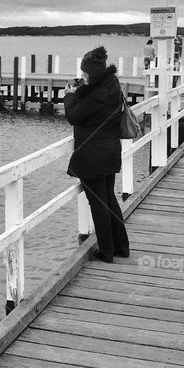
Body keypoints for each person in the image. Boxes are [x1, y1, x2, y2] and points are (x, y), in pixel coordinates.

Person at [63, 47, 131, 263]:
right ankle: (122, 247)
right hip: (110, 151)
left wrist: (69, 95)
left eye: (84, 74)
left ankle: (107, 252)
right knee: (109, 199)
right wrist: (84, 88)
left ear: (92, 74)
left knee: (98, 204)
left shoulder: (94, 95)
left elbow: (73, 116)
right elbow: (94, 104)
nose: (82, 77)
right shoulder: (112, 85)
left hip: (92, 155)